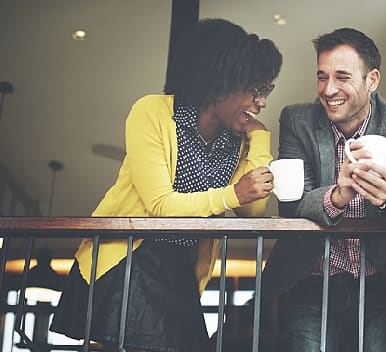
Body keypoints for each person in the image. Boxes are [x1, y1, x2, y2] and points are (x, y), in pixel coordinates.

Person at [50, 18, 282, 352]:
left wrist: (260, 139)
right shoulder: (153, 112)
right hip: (131, 257)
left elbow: (252, 207)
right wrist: (232, 194)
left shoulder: (238, 138)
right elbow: (160, 206)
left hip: (179, 265)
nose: (261, 102)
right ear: (224, 82)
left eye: (266, 91)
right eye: (256, 90)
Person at [261, 28, 386, 352]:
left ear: (373, 79)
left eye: (341, 77)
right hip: (311, 280)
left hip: (379, 279)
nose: (328, 89)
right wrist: (338, 195)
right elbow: (292, 203)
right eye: (321, 77)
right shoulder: (297, 119)